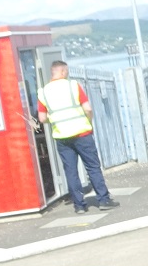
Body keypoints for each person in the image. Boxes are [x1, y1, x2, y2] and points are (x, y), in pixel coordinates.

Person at [37, 60, 119, 214]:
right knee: (93, 167)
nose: (67, 74)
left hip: (62, 137)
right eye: (66, 71)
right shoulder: (73, 86)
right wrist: (89, 121)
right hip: (82, 133)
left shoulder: (43, 92)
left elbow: (42, 118)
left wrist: (54, 119)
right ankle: (103, 199)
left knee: (71, 170)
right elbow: (88, 108)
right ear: (62, 71)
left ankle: (79, 205)